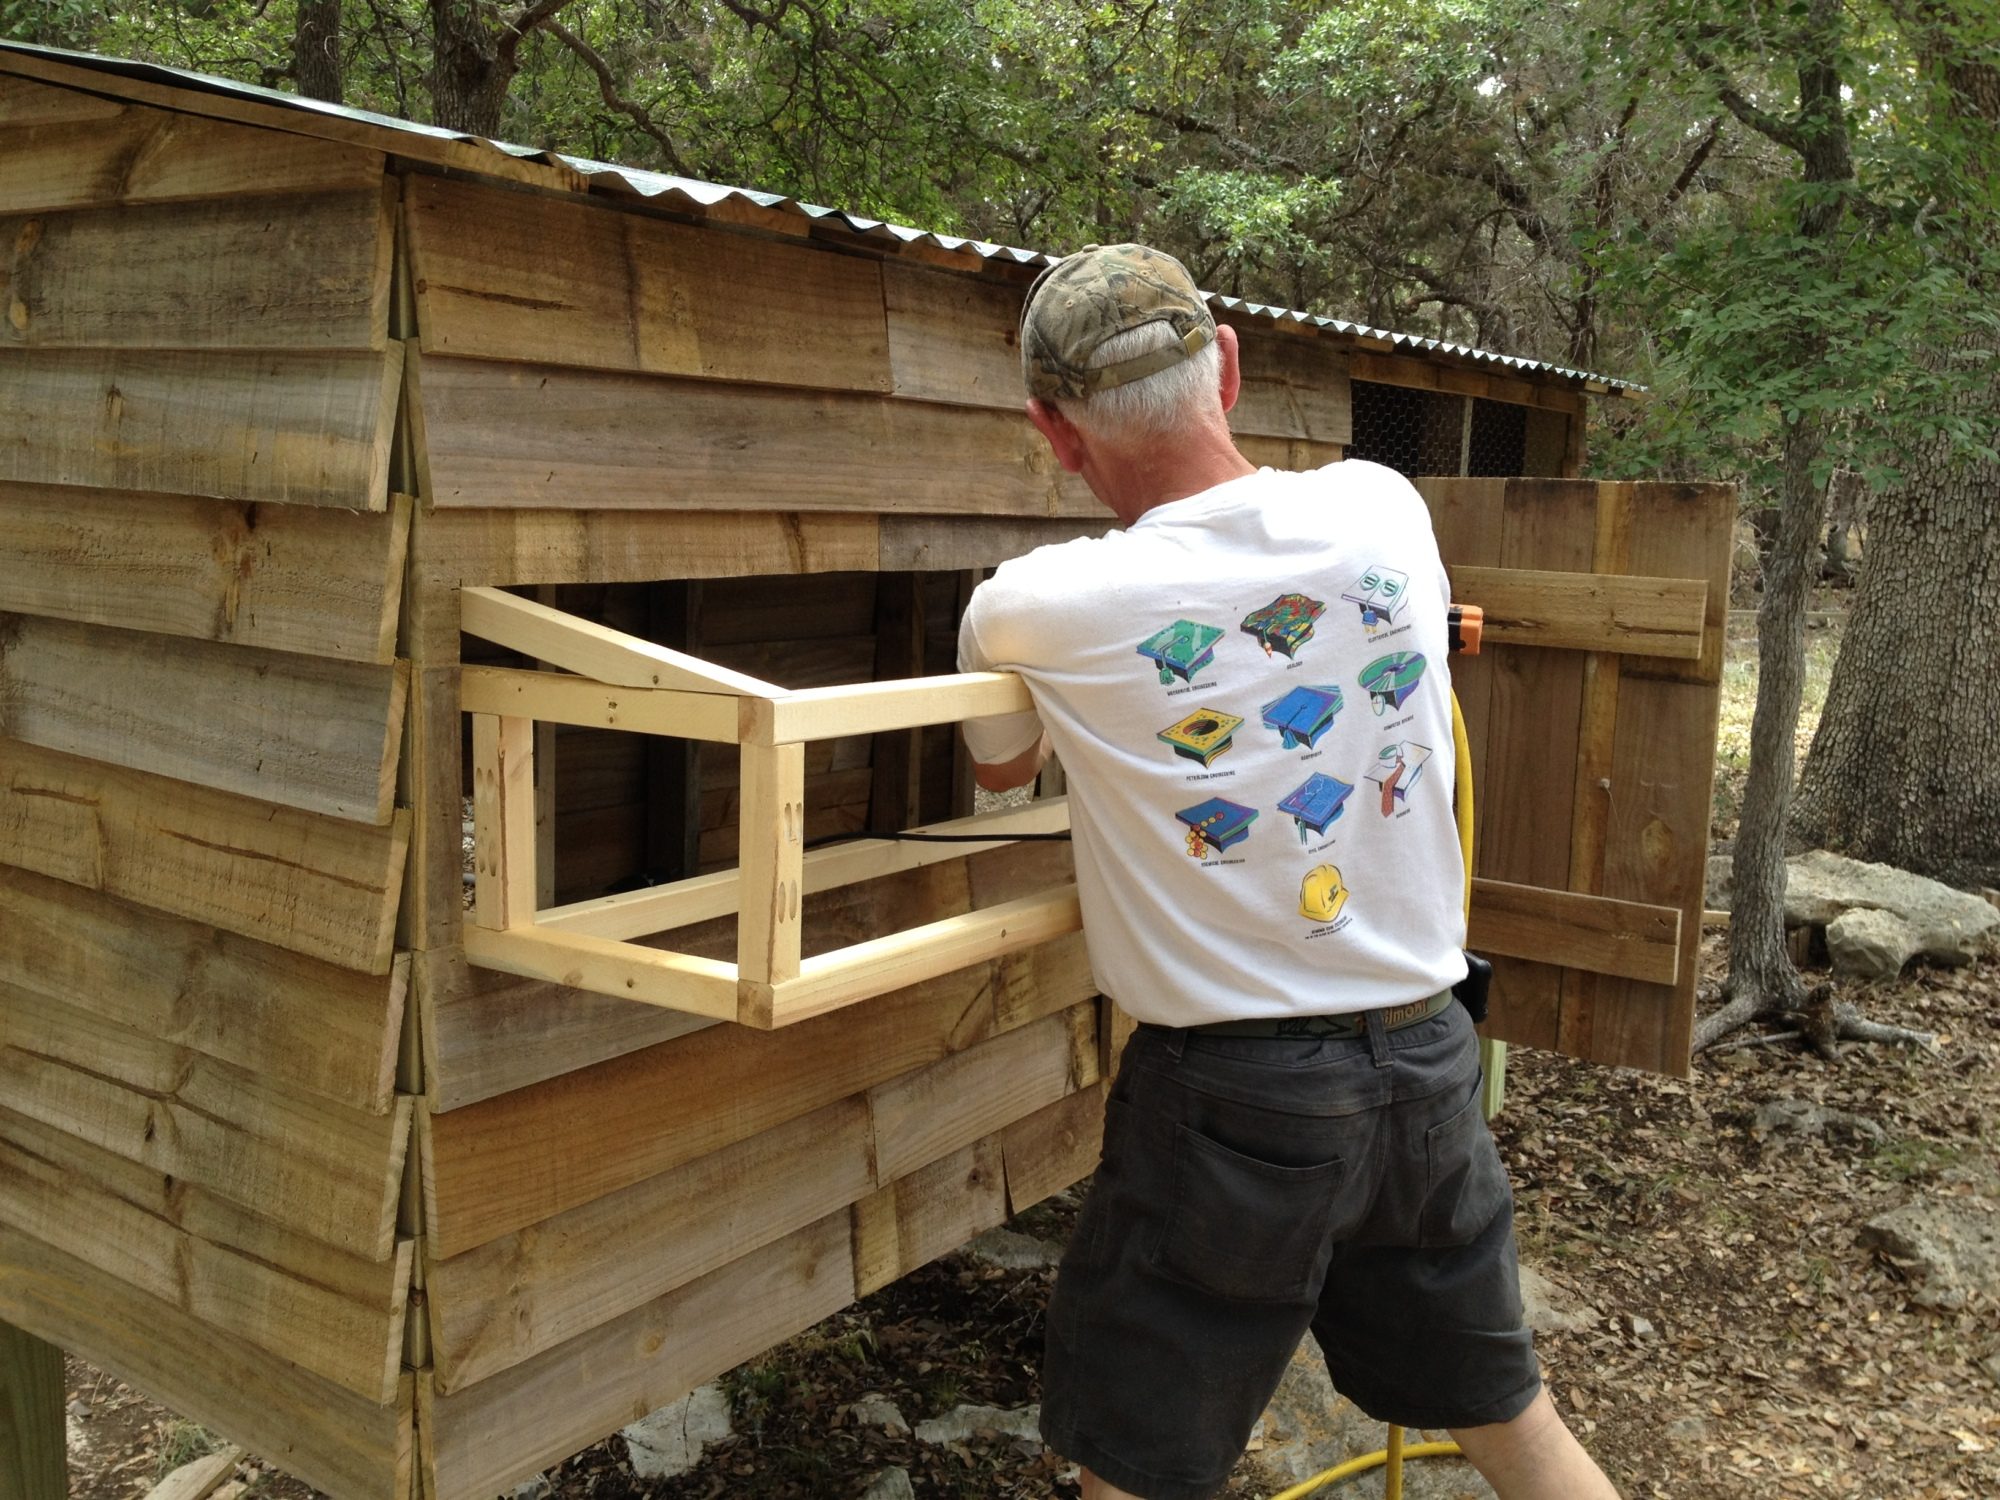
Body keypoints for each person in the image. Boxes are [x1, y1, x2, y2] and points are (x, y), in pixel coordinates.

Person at [955, 244, 1620, 1500]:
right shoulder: (1382, 506)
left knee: (1137, 1468)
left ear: (1052, 428)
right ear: (1230, 367)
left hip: (1230, 1103)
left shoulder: (1030, 605)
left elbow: (999, 769)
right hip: (1427, 1064)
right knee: (1509, 1419)